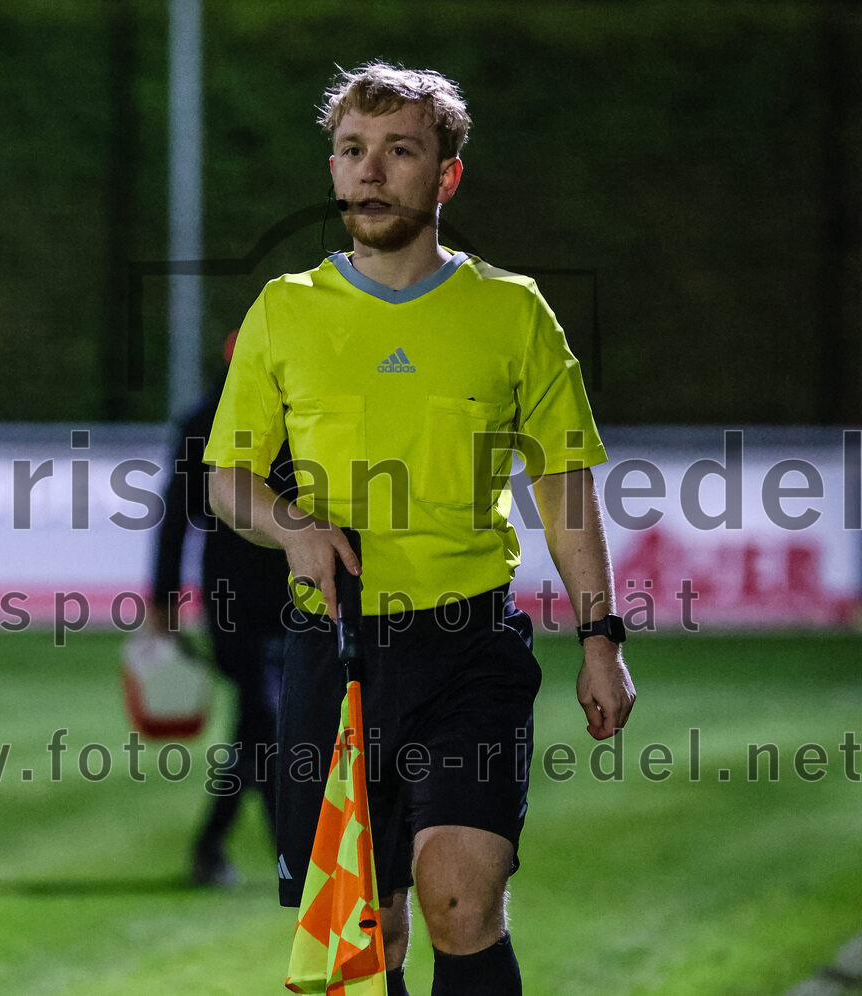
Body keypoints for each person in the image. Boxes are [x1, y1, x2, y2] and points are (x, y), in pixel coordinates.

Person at [205, 62, 636, 995]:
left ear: (445, 176)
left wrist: (600, 636)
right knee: (375, 933)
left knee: (459, 904)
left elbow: (562, 483)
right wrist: (291, 528)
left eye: (400, 150)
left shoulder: (511, 311)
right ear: (332, 170)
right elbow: (227, 480)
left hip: (469, 648)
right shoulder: (285, 309)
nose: (373, 170)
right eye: (354, 151)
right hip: (335, 650)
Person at [151, 330, 296, 886]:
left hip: (250, 592)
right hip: (263, 593)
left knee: (261, 724)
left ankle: (221, 849)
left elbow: (174, 521)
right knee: (266, 722)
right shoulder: (284, 416)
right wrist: (164, 601)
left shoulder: (205, 420)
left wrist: (165, 600)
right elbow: (175, 516)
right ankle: (287, 855)